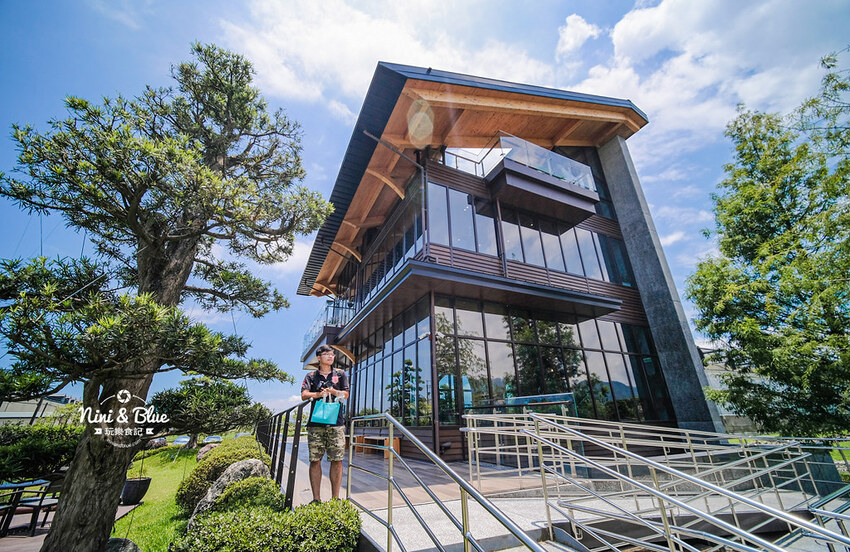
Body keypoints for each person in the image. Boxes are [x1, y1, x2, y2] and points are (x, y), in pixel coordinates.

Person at [301, 344, 349, 503]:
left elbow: (346, 394)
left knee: (337, 459)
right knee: (315, 460)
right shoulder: (311, 376)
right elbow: (304, 395)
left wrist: (334, 391)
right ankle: (316, 499)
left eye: (332, 355)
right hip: (316, 423)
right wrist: (318, 394)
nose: (331, 357)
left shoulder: (340, 374)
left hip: (336, 422)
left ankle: (335, 499)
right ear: (319, 357)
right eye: (327, 354)